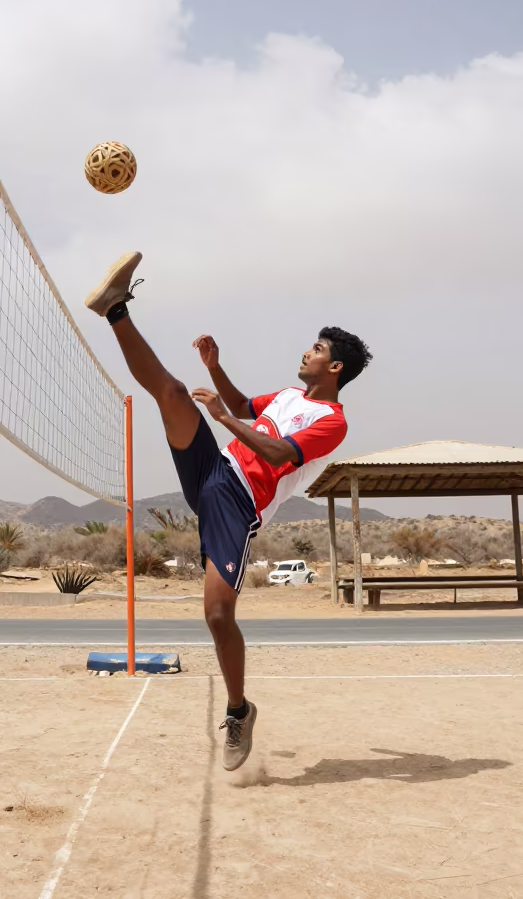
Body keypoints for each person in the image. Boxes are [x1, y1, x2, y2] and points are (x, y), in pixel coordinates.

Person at [86, 251, 372, 770]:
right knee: (172, 392)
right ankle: (115, 309)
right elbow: (243, 408)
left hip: (239, 503)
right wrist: (216, 370)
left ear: (334, 368)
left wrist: (220, 416)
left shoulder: (333, 420)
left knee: (217, 614)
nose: (306, 352)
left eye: (317, 348)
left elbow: (281, 454)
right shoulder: (287, 395)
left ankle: (239, 711)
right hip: (213, 470)